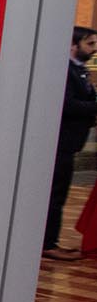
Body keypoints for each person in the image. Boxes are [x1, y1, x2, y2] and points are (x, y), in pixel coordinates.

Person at [44, 25, 97, 260]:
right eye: (90, 44)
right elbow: (66, 105)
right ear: (74, 45)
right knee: (55, 194)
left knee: (60, 193)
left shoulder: (80, 71)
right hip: (60, 141)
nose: (94, 49)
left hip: (71, 143)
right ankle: (48, 243)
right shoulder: (65, 71)